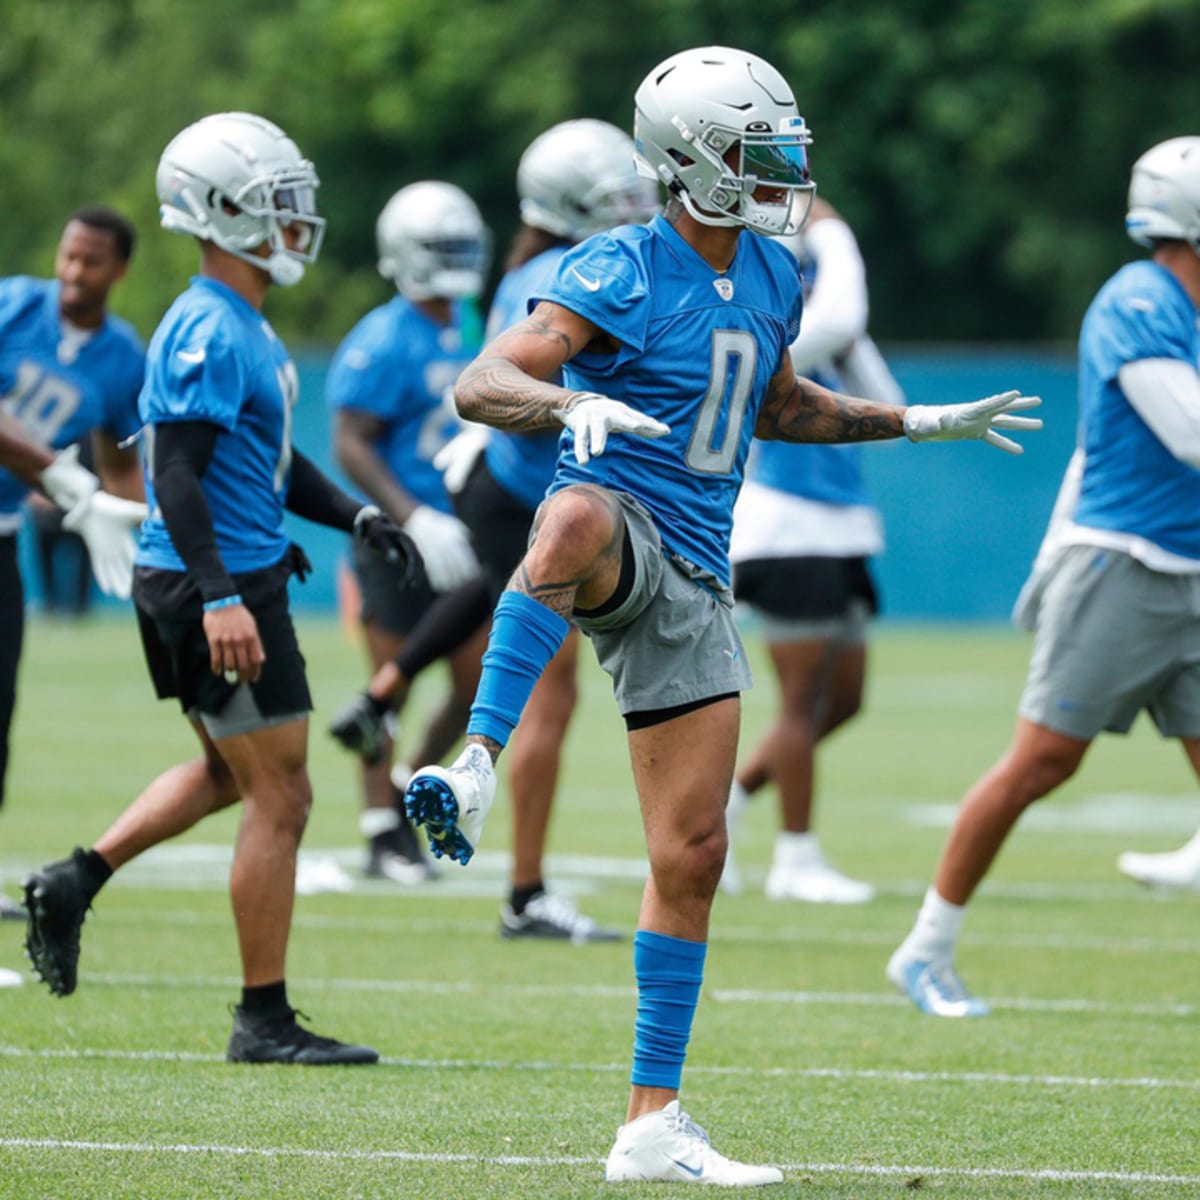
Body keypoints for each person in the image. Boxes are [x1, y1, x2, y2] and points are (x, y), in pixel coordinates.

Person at [401, 46, 1040, 1184]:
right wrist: (570, 400)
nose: (784, 168)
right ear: (690, 160)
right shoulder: (615, 267)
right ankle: (476, 759)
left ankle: (651, 1122)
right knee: (578, 514)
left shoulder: (777, 271)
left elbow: (780, 401)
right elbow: (482, 382)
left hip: (698, 572)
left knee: (691, 853)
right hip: (619, 530)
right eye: (760, 150)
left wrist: (915, 423)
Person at [23, 112, 417, 1064]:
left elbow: (264, 465)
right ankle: (262, 1019)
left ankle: (77, 879)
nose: (293, 221)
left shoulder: (241, 322)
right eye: (274, 204)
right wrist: (221, 596)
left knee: (228, 775)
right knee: (281, 796)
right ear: (217, 211)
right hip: (220, 583)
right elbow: (178, 471)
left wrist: (357, 516)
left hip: (220, 574)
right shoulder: (208, 323)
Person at [887, 136, 1200, 1018]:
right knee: (1041, 763)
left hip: (1189, 569)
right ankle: (925, 949)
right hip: (1125, 568)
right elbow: (1189, 434)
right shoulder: (1138, 302)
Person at [330, 119, 659, 942]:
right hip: (536, 494)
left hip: (515, 491)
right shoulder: (572, 270)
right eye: (614, 193)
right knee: (543, 690)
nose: (635, 205)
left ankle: (393, 709)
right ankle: (523, 889)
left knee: (499, 660)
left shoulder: (531, 271)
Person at [722, 197, 904, 902]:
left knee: (845, 698)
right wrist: (833, 231)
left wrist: (852, 343)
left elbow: (886, 403)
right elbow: (837, 316)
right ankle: (796, 858)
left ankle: (731, 799)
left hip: (840, 530)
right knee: (801, 703)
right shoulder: (775, 331)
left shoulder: (832, 334)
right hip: (787, 530)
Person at [327, 180, 489, 884]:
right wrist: (413, 516)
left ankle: (409, 788)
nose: (453, 260)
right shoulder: (383, 336)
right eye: (439, 247)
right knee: (385, 689)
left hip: (469, 535)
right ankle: (380, 832)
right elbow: (350, 441)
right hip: (398, 537)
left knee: (473, 680)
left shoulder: (483, 323)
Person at [0, 208, 148, 924]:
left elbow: (122, 463)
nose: (72, 273)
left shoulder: (122, 355)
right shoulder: (13, 304)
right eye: (67, 256)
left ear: (118, 270)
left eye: (90, 262)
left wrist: (155, 551)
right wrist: (64, 481)